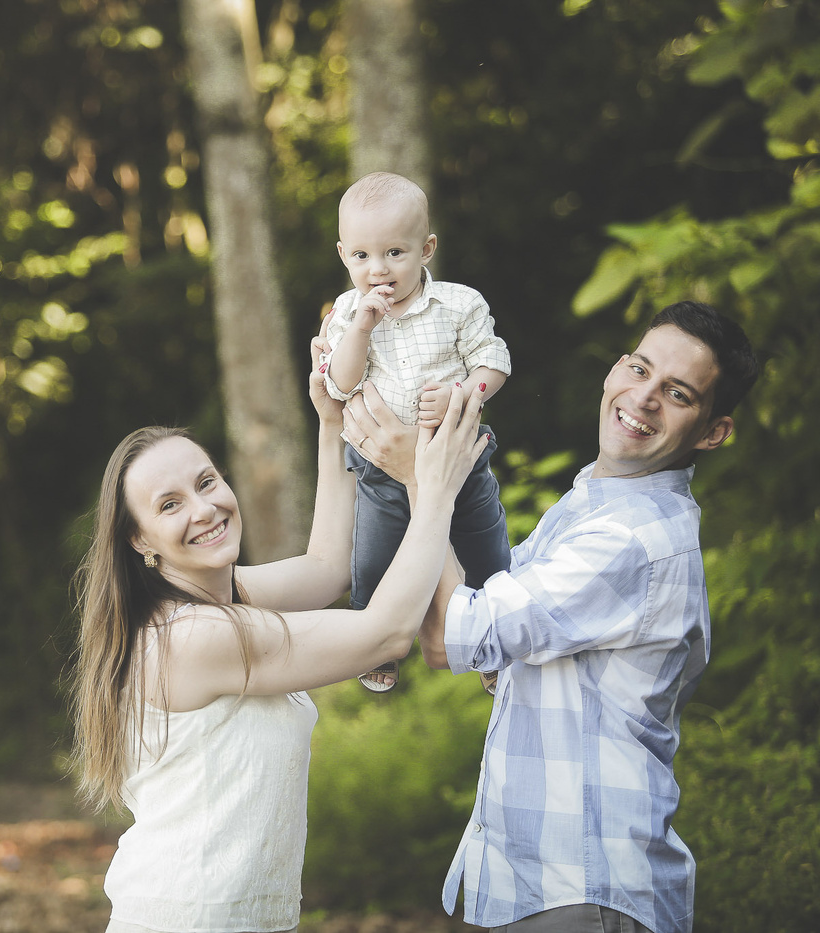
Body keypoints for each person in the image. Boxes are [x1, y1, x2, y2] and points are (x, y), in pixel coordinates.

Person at [347, 301, 759, 933]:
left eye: (677, 393)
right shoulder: (591, 504)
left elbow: (450, 636)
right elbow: (471, 617)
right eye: (640, 369)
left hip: (585, 887)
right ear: (615, 370)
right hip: (550, 883)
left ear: (713, 431)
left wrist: (418, 478)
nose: (644, 397)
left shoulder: (633, 538)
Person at [70, 337, 491, 933]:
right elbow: (386, 635)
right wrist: (432, 489)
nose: (203, 509)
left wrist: (332, 424)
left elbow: (327, 567)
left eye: (206, 482)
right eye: (169, 505)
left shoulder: (221, 596)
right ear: (139, 540)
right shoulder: (190, 637)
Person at [319, 171, 513, 692]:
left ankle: (496, 647)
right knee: (373, 555)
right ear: (343, 255)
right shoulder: (346, 313)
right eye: (362, 256)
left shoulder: (459, 304)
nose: (378, 269)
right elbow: (340, 383)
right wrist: (361, 328)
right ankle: (376, 646)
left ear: (426, 249)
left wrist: (465, 392)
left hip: (456, 457)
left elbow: (494, 360)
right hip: (382, 466)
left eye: (394, 253)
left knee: (485, 547)